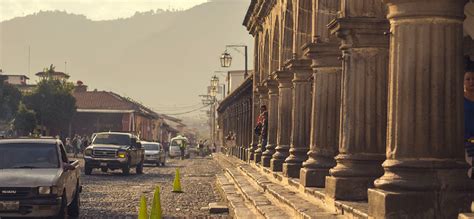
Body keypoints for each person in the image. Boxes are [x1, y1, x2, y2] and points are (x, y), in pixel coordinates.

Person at [464, 57, 474, 178]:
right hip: (465, 142)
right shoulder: (458, 100)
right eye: (468, 79)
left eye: (473, 79)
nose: (471, 81)